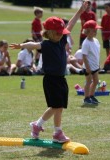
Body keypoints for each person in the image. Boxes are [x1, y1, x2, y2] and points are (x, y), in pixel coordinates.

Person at [10, 2, 88, 143]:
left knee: (57, 107)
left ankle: (37, 125)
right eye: (58, 32)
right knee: (57, 106)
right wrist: (21, 45)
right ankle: (57, 132)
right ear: (50, 33)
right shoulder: (45, 44)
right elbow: (32, 45)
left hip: (61, 78)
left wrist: (80, 12)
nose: (61, 34)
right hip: (51, 80)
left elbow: (71, 24)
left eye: (61, 32)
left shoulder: (62, 39)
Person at [81, 20, 102, 105]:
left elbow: (97, 53)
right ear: (88, 31)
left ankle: (91, 96)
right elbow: (84, 56)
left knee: (96, 81)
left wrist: (98, 64)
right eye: (94, 30)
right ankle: (86, 98)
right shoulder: (86, 43)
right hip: (88, 67)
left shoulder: (96, 41)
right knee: (88, 82)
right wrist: (88, 67)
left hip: (95, 66)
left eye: (96, 30)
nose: (96, 32)